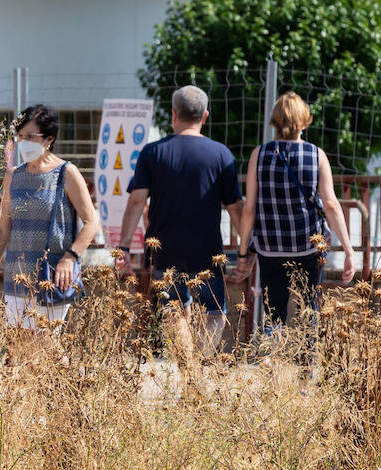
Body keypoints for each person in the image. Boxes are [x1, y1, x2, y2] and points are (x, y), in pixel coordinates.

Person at [113, 86, 243, 351]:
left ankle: (187, 370)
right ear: (205, 116)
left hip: (164, 248)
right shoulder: (221, 155)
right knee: (214, 312)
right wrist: (246, 251)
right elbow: (235, 208)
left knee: (173, 309)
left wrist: (124, 247)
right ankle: (201, 366)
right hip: (208, 250)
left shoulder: (152, 152)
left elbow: (137, 200)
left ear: (173, 114)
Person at [231, 91, 355, 329]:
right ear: (304, 120)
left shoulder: (259, 154)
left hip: (270, 248)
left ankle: (273, 361)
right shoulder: (317, 154)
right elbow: (330, 204)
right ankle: (308, 364)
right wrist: (348, 250)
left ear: (275, 120)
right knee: (310, 310)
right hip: (309, 246)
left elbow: (249, 210)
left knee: (273, 313)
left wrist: (245, 253)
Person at [0, 104, 100, 330]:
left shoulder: (66, 173)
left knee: (45, 348)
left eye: (30, 136)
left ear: (49, 139)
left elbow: (91, 222)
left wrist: (70, 257)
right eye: (20, 136)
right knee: (20, 350)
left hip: (51, 276)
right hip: (16, 278)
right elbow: (2, 229)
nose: (23, 142)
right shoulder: (14, 176)